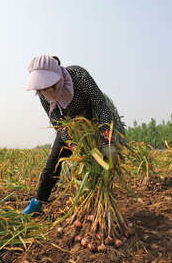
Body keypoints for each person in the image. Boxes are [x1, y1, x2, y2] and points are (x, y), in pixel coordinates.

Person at [23, 55, 124, 214]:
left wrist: (106, 139)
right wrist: (72, 143)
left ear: (56, 80)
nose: (43, 92)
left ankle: (101, 200)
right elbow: (57, 122)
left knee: (101, 162)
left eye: (45, 87)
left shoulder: (79, 76)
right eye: (40, 89)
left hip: (93, 120)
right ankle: (38, 201)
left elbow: (100, 104)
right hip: (70, 127)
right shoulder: (43, 95)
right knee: (53, 163)